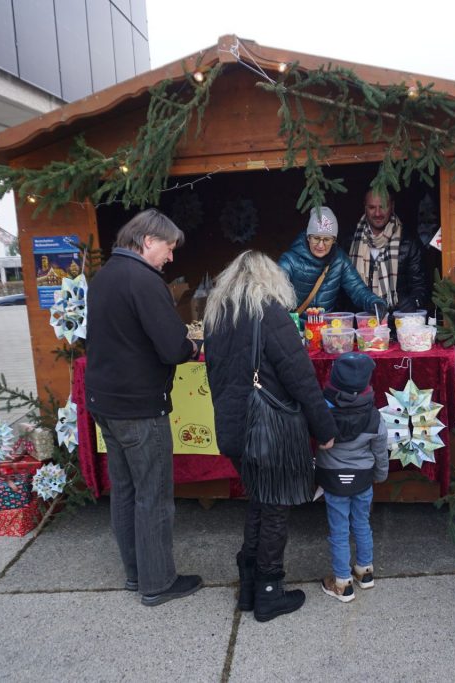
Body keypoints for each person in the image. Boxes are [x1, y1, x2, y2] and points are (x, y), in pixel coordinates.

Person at [203, 251, 338, 622]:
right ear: (270, 279)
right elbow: (301, 379)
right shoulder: (270, 313)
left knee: (260, 502)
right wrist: (325, 430)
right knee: (275, 507)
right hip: (268, 429)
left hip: (234, 430)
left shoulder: (216, 317)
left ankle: (249, 586)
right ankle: (269, 591)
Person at [85, 209, 203, 607]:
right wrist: (193, 347)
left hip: (105, 402)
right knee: (152, 494)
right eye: (168, 248)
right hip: (138, 406)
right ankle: (158, 582)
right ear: (148, 240)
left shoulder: (105, 276)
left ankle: (136, 574)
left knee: (125, 491)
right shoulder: (145, 280)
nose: (171, 257)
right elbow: (172, 348)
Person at [315, 352, 388, 603]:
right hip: (363, 479)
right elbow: (380, 451)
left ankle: (342, 583)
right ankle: (365, 572)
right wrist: (380, 475)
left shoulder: (322, 412)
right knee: (362, 524)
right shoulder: (374, 416)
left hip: (333, 479)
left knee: (339, 530)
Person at [279, 207, 386, 315]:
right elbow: (275, 297)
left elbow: (357, 288)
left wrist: (375, 302)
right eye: (316, 238)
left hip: (325, 325)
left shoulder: (339, 260)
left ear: (334, 240)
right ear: (308, 237)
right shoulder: (289, 261)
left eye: (326, 239)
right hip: (295, 325)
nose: (321, 245)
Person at [346, 189, 428, 311]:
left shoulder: (409, 242)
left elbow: (420, 286)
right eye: (372, 207)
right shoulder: (350, 241)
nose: (377, 213)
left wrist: (413, 301)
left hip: (396, 318)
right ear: (365, 207)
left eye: (383, 206)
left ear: (392, 206)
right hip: (360, 319)